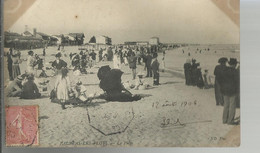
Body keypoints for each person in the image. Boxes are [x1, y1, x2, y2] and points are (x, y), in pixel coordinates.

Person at [220, 58, 239, 125]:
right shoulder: (235, 71)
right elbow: (237, 82)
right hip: (233, 91)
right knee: (232, 106)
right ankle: (230, 120)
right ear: (234, 64)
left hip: (225, 90)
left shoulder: (225, 70)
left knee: (226, 105)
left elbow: (221, 81)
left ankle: (224, 119)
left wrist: (222, 89)